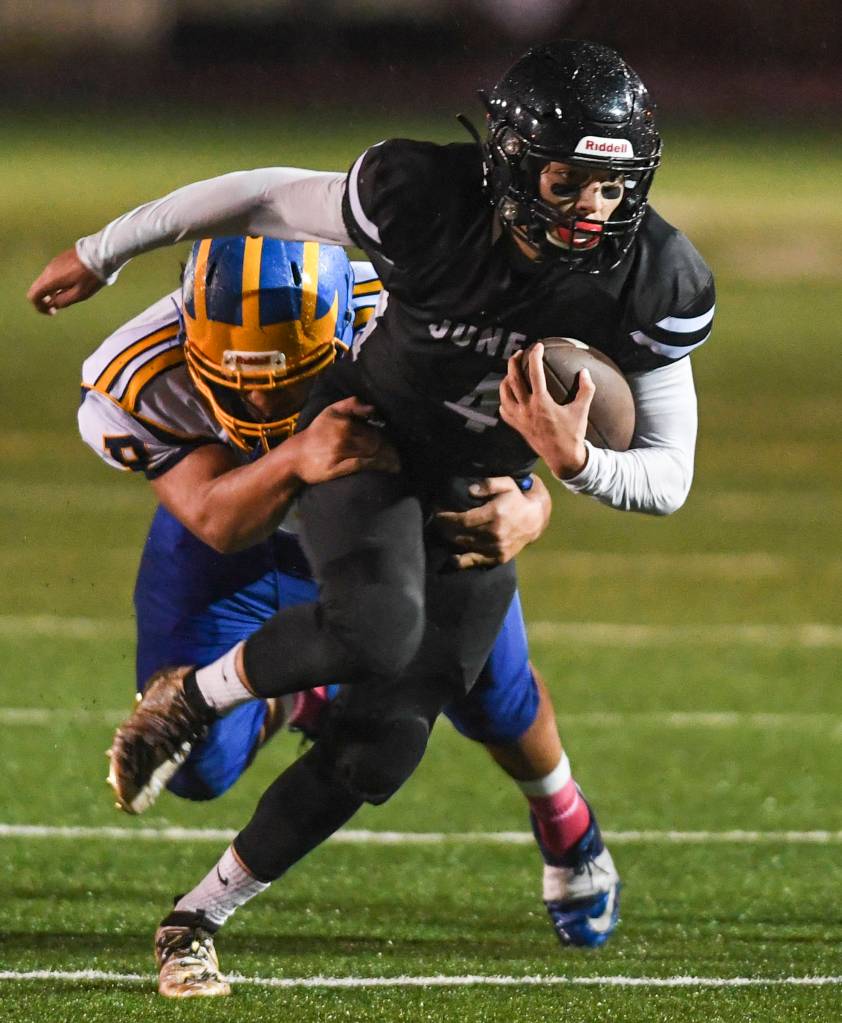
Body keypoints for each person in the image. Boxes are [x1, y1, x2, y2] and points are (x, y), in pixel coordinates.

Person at [29, 40, 713, 997]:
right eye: (569, 180)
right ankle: (203, 694)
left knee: (390, 745)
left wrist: (569, 466)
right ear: (515, 164)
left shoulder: (654, 279)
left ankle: (196, 915)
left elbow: (668, 475)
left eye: (612, 185)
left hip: (467, 490)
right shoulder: (422, 203)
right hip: (366, 447)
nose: (592, 210)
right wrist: (107, 251)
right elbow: (263, 195)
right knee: (371, 632)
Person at [77, 233, 619, 994]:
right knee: (199, 770)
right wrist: (297, 456)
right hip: (238, 544)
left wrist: (531, 504)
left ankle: (566, 825)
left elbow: (515, 432)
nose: (263, 402)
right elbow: (214, 518)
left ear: (344, 339)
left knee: (491, 695)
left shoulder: (416, 314)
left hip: (400, 528)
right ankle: (302, 685)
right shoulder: (134, 374)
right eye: (236, 389)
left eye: (288, 382)